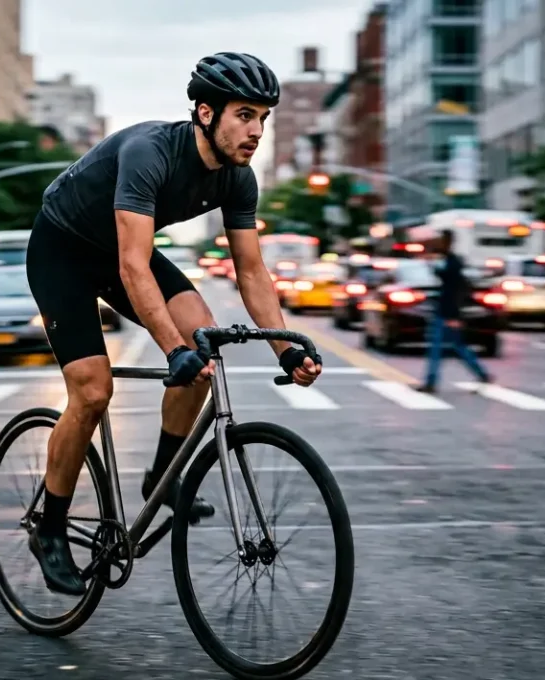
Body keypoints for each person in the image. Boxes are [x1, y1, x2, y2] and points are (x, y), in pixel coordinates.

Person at [24, 52, 322, 596]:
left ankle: (161, 480)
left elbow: (251, 271)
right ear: (206, 113)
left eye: (263, 118)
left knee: (202, 342)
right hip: (63, 249)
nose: (256, 131)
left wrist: (286, 348)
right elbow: (133, 266)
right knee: (92, 391)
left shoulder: (238, 179)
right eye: (245, 115)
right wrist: (170, 350)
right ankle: (50, 529)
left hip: (121, 252)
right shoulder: (150, 153)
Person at [419, 229, 492, 393]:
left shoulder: (453, 262)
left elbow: (454, 290)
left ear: (447, 242)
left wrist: (454, 315)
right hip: (446, 310)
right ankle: (482, 374)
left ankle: (431, 382)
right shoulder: (450, 261)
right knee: (457, 346)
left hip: (446, 312)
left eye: (441, 240)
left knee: (437, 348)